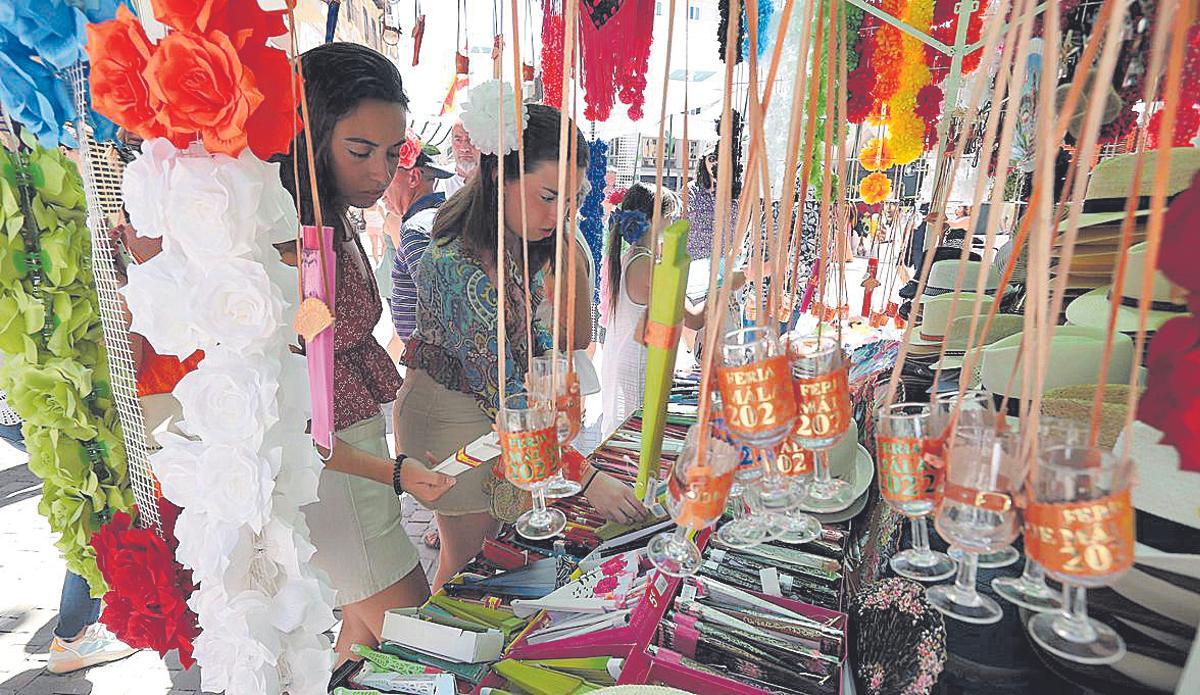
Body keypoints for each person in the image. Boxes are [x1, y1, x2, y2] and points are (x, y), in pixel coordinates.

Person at [395, 103, 648, 593]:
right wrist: (587, 477)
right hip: (453, 425)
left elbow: (537, 344)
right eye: (548, 196)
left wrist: (558, 385)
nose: (559, 216)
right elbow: (507, 390)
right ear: (498, 177)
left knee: (494, 552)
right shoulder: (456, 262)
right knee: (467, 566)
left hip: (497, 416)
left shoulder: (517, 242)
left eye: (572, 200)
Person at [276, 42, 456, 666]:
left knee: (364, 635)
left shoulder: (331, 218)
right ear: (314, 133)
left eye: (392, 152)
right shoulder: (292, 242)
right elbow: (302, 402)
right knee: (420, 644)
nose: (381, 172)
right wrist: (397, 472)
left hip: (355, 462)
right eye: (361, 151)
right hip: (339, 475)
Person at [600, 183, 707, 436]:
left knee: (629, 433)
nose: (672, 224)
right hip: (639, 364)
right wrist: (721, 291)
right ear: (655, 218)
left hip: (625, 358)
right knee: (636, 436)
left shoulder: (631, 257)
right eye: (670, 217)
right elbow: (693, 318)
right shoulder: (646, 264)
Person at [387, 134, 454, 347]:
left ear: (414, 178)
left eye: (388, 174)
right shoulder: (437, 217)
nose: (379, 183)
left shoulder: (417, 228)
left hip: (434, 362)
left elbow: (437, 301)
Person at [439, 121, 480, 198]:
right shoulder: (440, 181)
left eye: (471, 140)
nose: (464, 148)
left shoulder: (496, 179)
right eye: (458, 140)